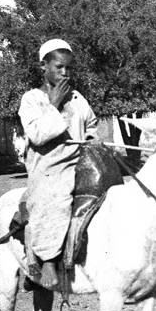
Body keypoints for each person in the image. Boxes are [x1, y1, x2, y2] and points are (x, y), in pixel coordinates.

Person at [18, 38, 98, 287]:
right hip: (48, 168)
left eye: (68, 68)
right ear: (43, 66)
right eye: (59, 67)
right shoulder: (32, 99)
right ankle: (47, 262)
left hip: (80, 163)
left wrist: (92, 140)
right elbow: (38, 135)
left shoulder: (77, 98)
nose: (64, 73)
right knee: (57, 197)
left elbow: (91, 125)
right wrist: (53, 104)